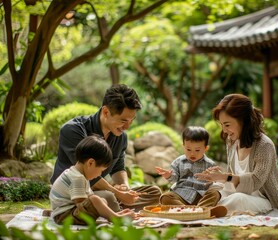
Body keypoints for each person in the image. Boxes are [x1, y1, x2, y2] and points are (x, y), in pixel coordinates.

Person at [50, 84, 161, 212]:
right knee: (108, 197)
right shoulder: (73, 130)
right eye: (123, 121)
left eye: (131, 121)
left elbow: (119, 168)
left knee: (154, 192)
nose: (127, 127)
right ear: (106, 112)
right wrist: (117, 193)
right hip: (74, 195)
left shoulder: (121, 137)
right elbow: (88, 171)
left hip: (104, 192)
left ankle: (116, 208)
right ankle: (115, 209)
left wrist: (125, 188)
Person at [194, 94, 278, 216]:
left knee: (238, 199)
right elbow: (231, 178)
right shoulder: (231, 142)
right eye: (222, 125)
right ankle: (205, 209)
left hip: (264, 200)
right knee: (210, 189)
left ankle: (203, 211)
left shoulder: (264, 145)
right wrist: (217, 177)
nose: (224, 130)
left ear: (243, 121)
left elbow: (255, 181)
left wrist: (226, 177)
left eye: (227, 125)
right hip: (236, 193)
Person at [50, 135, 137, 225]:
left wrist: (106, 209)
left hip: (68, 213)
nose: (99, 175)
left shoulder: (77, 174)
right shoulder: (77, 178)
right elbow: (82, 203)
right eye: (101, 171)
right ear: (90, 163)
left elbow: (88, 203)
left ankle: (114, 215)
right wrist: (101, 206)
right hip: (64, 216)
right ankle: (115, 218)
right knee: (95, 199)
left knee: (101, 200)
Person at [155, 126, 221, 207]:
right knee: (165, 197)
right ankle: (188, 210)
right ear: (183, 147)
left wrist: (216, 175)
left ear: (205, 148)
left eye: (197, 150)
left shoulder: (210, 164)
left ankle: (201, 209)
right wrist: (168, 175)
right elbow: (174, 178)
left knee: (215, 193)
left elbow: (216, 180)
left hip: (201, 195)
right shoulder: (178, 162)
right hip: (181, 195)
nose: (192, 154)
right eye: (188, 149)